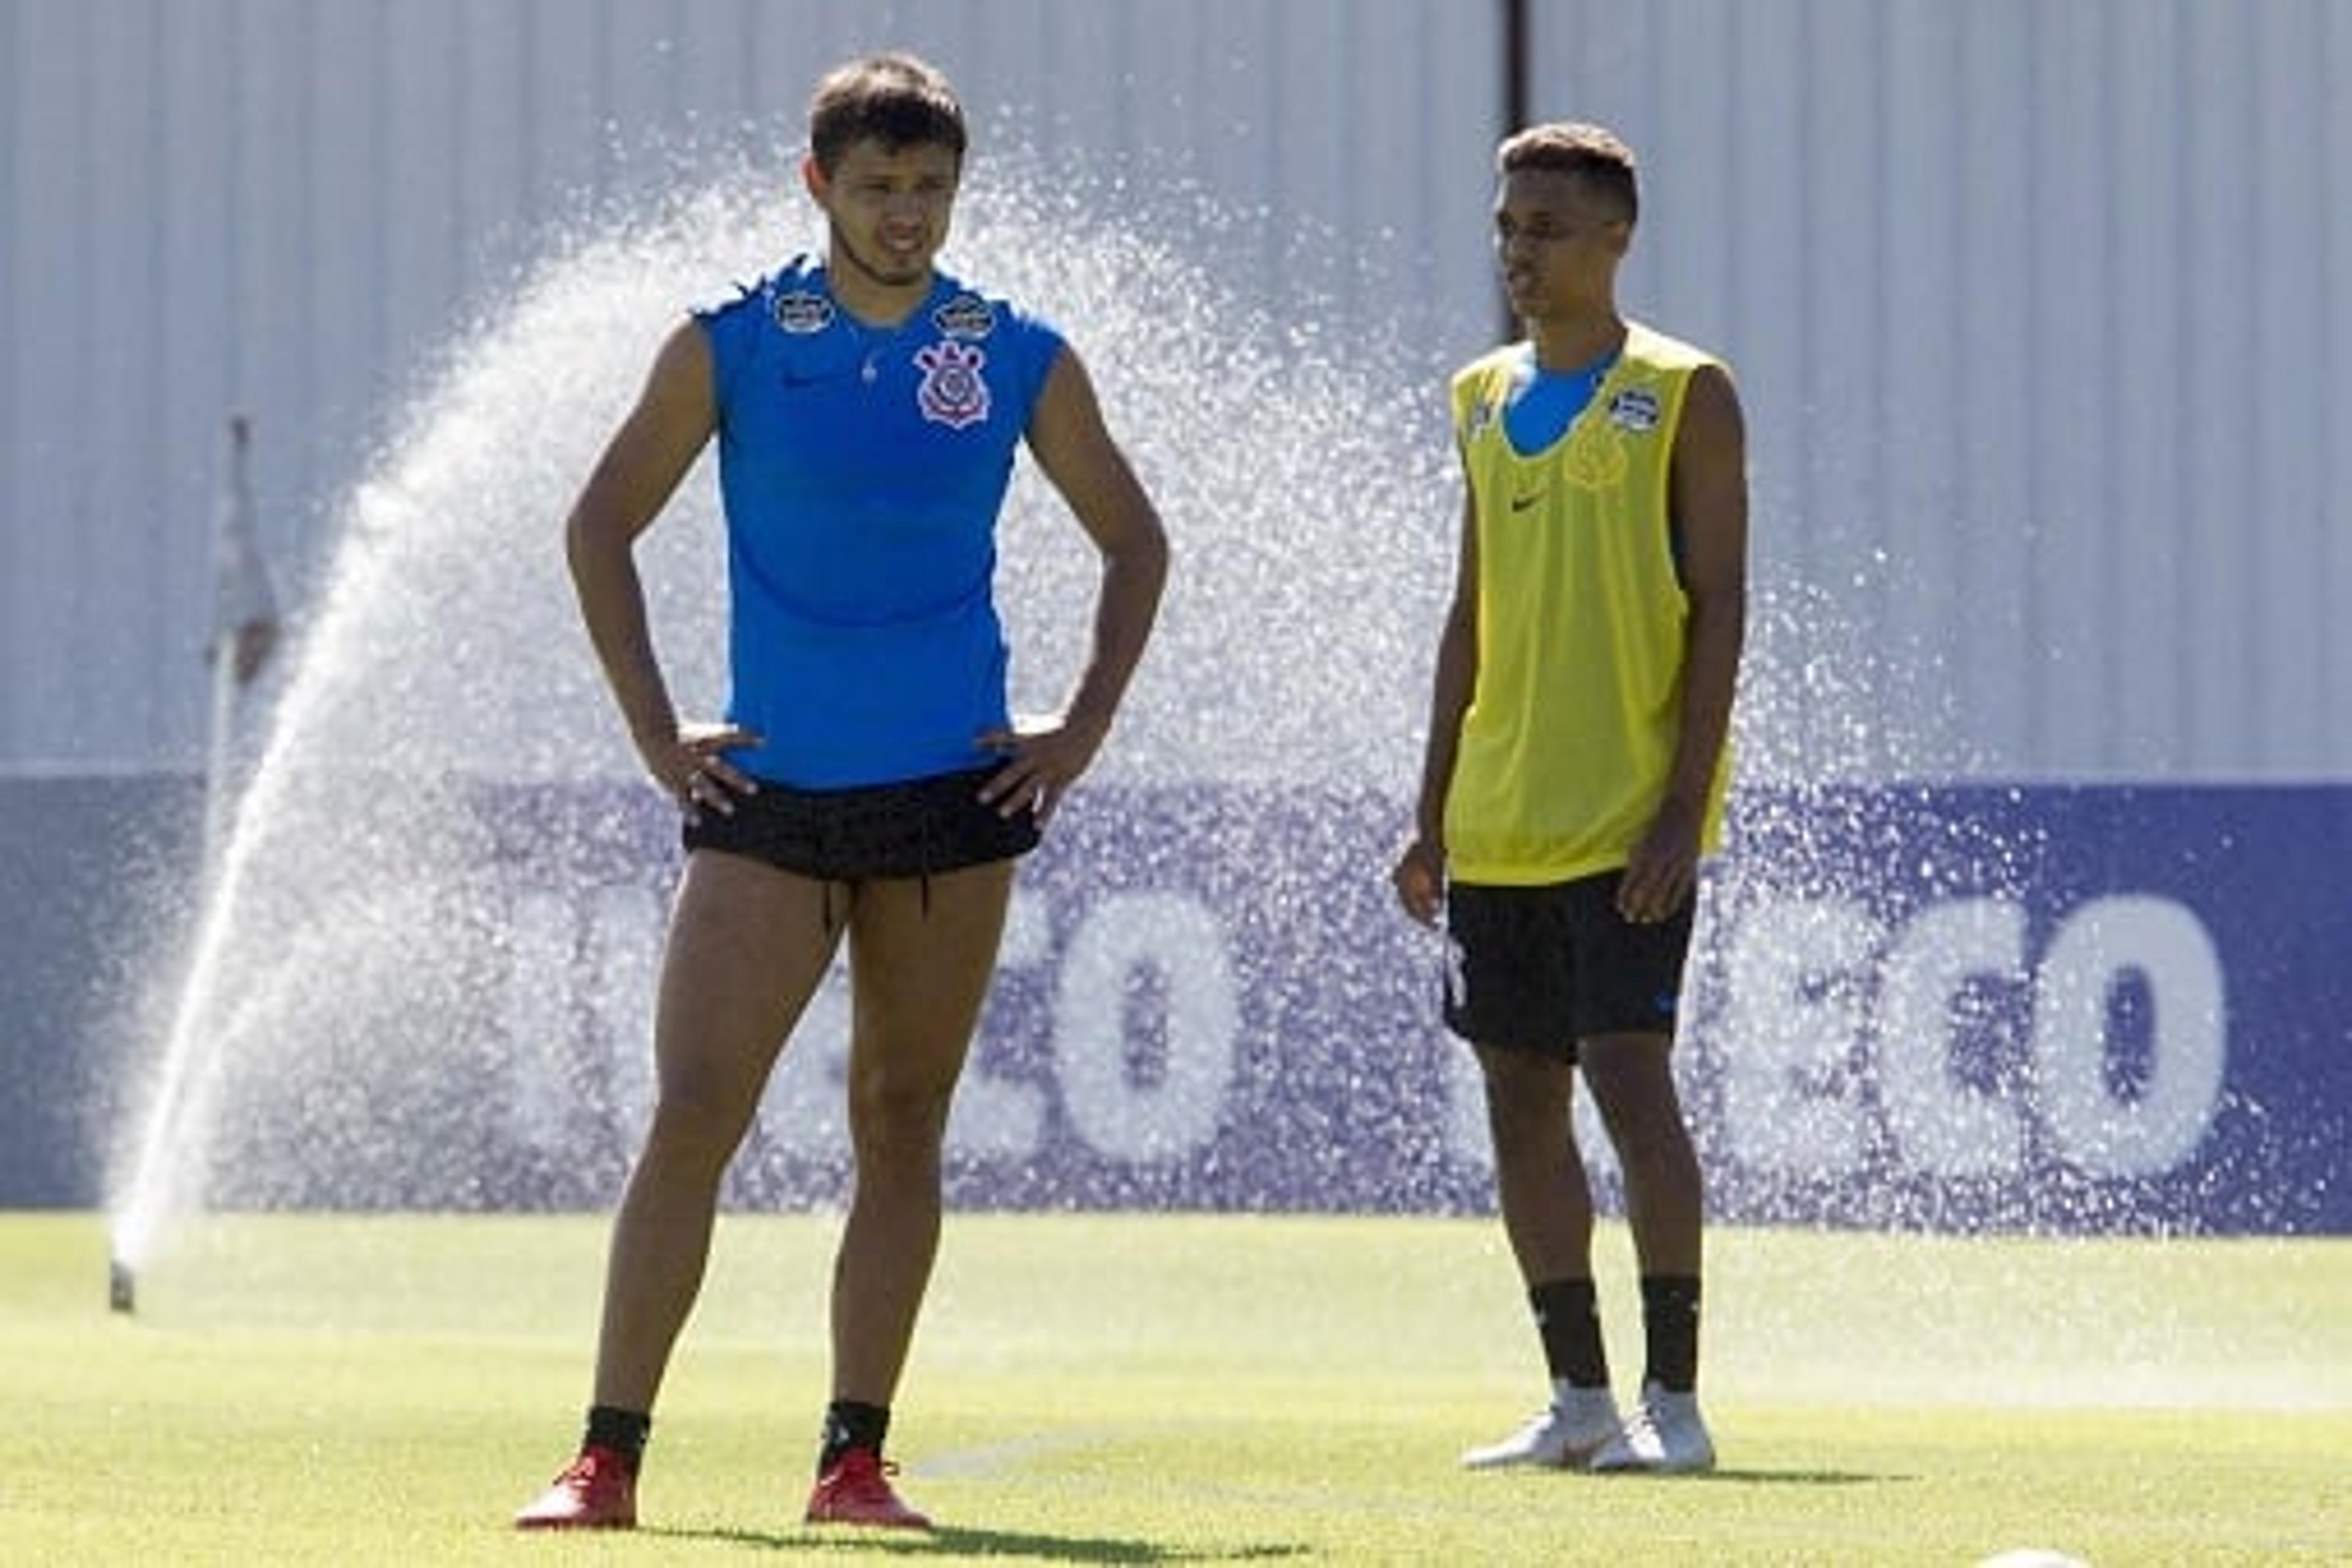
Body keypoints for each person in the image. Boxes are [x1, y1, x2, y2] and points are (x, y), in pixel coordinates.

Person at [516, 52, 1168, 1532]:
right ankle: (603, 1456)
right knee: (693, 1112)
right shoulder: (734, 341)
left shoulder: (1013, 352)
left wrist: (1074, 731)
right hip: (772, 795)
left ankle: (853, 1458)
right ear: (816, 184)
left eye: (931, 189)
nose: (906, 216)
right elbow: (598, 524)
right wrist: (651, 730)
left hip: (951, 793)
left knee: (901, 1117)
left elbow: (1138, 541)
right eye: (877, 188)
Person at [1392, 122, 1746, 1475]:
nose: (1519, 250)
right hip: (1501, 821)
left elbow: (1721, 610)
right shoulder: (1481, 395)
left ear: (1616, 239)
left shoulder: (1683, 390)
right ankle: (1577, 1394)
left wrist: (1679, 807)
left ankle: (1678, 1401)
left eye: (1547, 227)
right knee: (1518, 1100)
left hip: (1624, 820)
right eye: (1506, 225)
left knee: (1629, 1081)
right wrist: (1432, 808)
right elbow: (1469, 614)